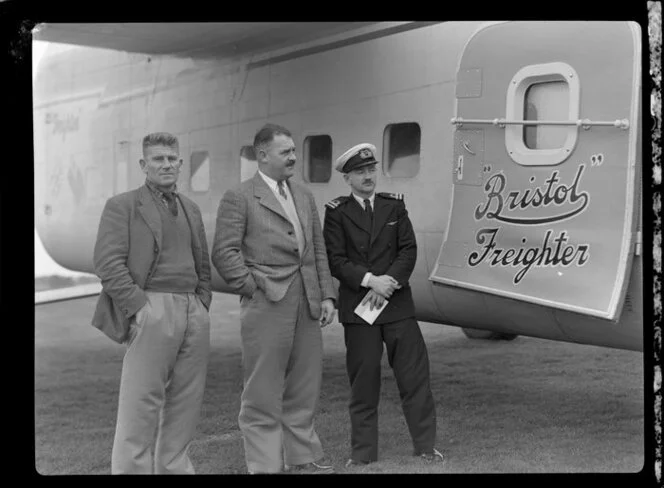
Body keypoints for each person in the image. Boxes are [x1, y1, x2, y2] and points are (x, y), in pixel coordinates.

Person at [212, 123, 337, 474]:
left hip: (308, 301)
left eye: (294, 150)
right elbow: (224, 252)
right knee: (263, 387)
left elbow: (318, 252)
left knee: (305, 383)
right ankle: (265, 464)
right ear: (262, 155)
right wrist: (252, 286)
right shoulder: (239, 196)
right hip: (266, 301)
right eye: (286, 152)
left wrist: (327, 295)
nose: (294, 157)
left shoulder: (304, 194)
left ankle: (302, 457)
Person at [91, 132, 212, 474]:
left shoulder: (190, 207)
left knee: (186, 402)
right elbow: (107, 262)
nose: (166, 164)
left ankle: (174, 468)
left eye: (172, 158)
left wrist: (202, 302)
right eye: (158, 159)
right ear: (144, 165)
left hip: (193, 309)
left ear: (180, 163)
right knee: (140, 402)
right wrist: (140, 307)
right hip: (152, 306)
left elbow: (201, 261)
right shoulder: (123, 205)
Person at [322, 143, 443, 467]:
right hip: (360, 312)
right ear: (347, 178)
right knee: (364, 385)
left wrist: (387, 283)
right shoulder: (336, 212)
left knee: (414, 380)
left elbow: (408, 250)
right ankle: (362, 455)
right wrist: (369, 281)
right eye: (360, 172)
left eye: (371, 170)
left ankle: (426, 448)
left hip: (397, 306)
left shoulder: (394, 207)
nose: (367, 177)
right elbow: (336, 260)